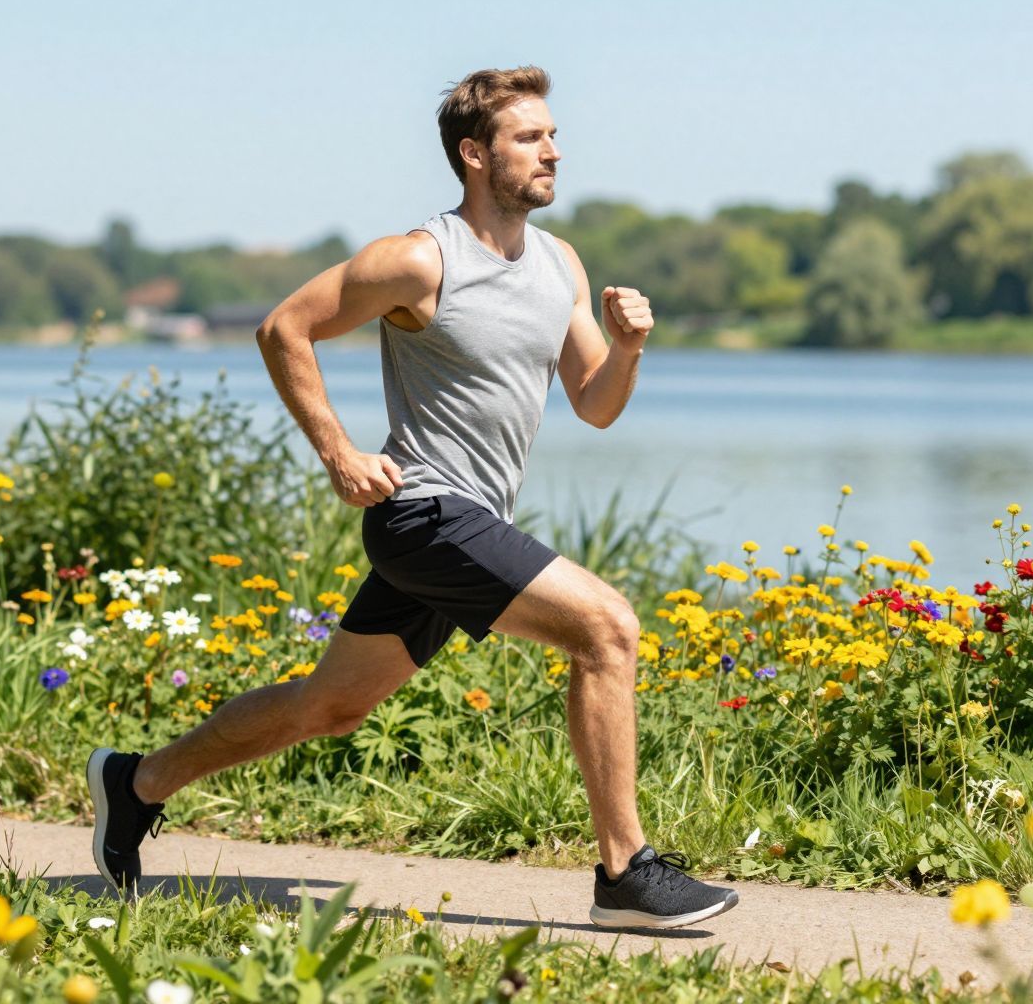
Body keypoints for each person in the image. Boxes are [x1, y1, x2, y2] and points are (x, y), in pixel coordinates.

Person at [89, 66, 739, 929]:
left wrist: (626, 348)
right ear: (474, 155)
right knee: (607, 628)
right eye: (529, 138)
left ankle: (135, 782)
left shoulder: (560, 265)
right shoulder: (420, 260)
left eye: (553, 135)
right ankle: (625, 871)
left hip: (472, 523)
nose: (553, 150)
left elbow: (596, 403)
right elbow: (284, 327)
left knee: (331, 705)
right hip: (423, 513)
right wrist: (338, 452)